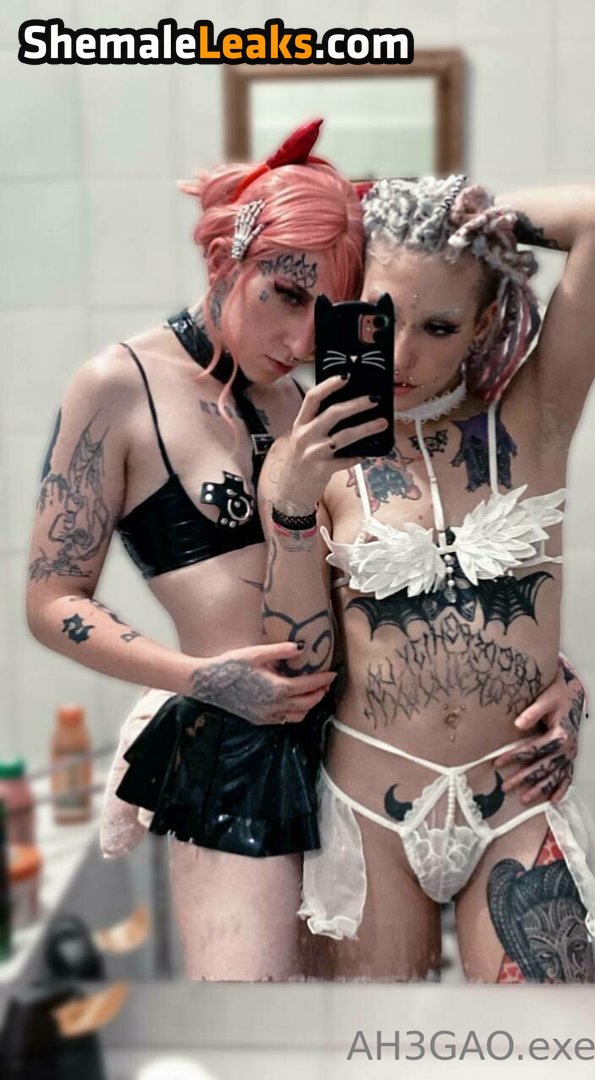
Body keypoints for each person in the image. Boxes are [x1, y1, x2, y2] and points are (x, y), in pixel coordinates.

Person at [25, 120, 363, 981]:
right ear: (225, 259)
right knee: (256, 1021)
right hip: (236, 753)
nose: (300, 340)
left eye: (322, 313)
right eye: (284, 296)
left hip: (360, 749)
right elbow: (51, 600)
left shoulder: (304, 404)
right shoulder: (120, 386)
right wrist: (200, 678)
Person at [259, 175, 595, 982]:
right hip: (368, 808)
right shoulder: (307, 454)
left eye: (440, 326)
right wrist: (292, 505)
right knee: (379, 1044)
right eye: (382, 320)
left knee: (555, 1042)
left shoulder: (535, 420)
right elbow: (297, 661)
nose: (403, 356)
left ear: (482, 323)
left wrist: (476, 221)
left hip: (516, 803)